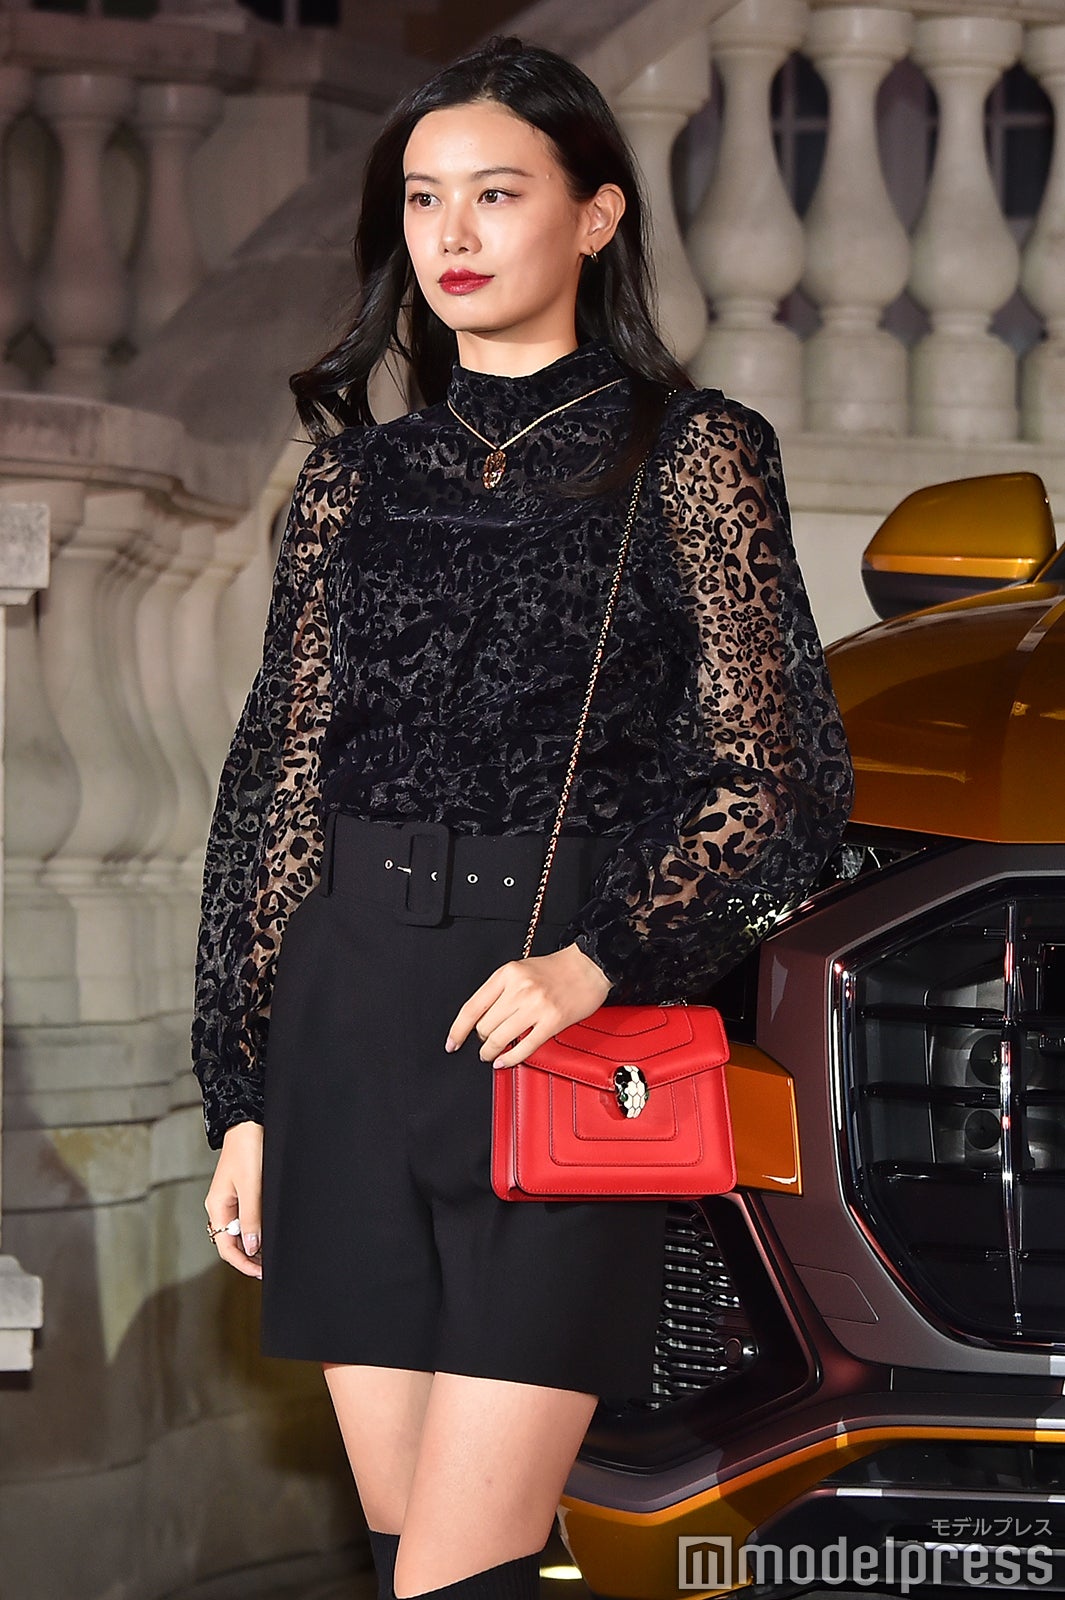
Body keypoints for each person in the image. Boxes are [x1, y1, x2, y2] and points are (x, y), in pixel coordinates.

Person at [191, 32, 855, 1600]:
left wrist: (597, 960)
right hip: (346, 1026)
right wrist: (242, 1095)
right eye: (424, 200)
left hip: (552, 1030)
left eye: (496, 193)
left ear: (596, 215)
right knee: (403, 1559)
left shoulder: (691, 453)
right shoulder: (349, 484)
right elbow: (276, 791)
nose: (454, 234)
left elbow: (783, 782)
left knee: (462, 1571)